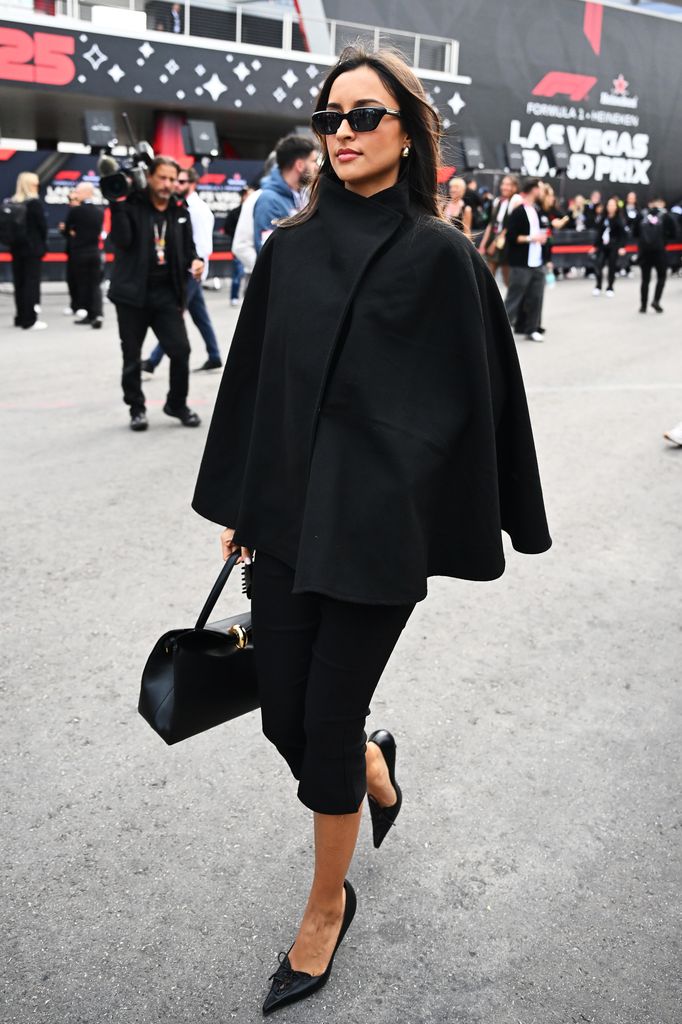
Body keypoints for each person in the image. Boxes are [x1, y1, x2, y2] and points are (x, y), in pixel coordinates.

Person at [192, 45, 551, 1015]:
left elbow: (487, 399)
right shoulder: (288, 252)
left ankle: (324, 906)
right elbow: (256, 388)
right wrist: (237, 504)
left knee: (322, 720)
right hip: (288, 525)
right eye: (329, 118)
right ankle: (372, 763)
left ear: (406, 131)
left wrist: (475, 502)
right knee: (282, 714)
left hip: (379, 540)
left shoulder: (440, 256)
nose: (341, 132)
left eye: (363, 116)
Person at [108, 156, 203, 431]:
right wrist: (117, 205)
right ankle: (136, 408)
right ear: (149, 177)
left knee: (181, 350)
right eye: (161, 178)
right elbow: (122, 241)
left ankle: (176, 403)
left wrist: (196, 261)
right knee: (132, 356)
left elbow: (188, 249)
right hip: (131, 296)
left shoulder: (178, 209)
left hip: (165, 294)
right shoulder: (132, 205)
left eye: (172, 179)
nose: (167, 184)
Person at [143, 166, 222, 373]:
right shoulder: (179, 207)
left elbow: (204, 246)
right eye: (176, 181)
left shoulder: (200, 210)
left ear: (192, 184)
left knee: (174, 316)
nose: (176, 185)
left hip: (191, 273)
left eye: (182, 182)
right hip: (184, 271)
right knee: (200, 316)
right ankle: (214, 355)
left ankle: (152, 361)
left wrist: (195, 269)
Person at [253, 135, 319, 253]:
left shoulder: (303, 196)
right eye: (313, 161)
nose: (317, 167)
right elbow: (270, 252)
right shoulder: (269, 200)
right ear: (299, 165)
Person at [504, 178, 549, 342]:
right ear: (534, 189)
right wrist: (532, 238)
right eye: (541, 188)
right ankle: (499, 329)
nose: (542, 192)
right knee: (514, 297)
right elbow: (511, 236)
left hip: (537, 262)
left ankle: (532, 328)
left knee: (536, 297)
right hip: (521, 263)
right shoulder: (519, 211)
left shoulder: (536, 210)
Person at [8, 172, 47, 330]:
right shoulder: (34, 204)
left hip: (16, 249)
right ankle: (29, 320)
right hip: (32, 250)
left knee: (19, 283)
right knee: (31, 284)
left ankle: (20, 316)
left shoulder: (12, 203)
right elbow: (42, 227)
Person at [62, 181, 104, 327]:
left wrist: (71, 232)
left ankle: (89, 313)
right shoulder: (99, 212)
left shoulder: (76, 211)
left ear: (87, 193)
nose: (76, 195)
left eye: (78, 192)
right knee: (95, 284)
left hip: (79, 253)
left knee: (84, 285)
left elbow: (67, 229)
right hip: (94, 252)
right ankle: (96, 314)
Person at [634, 200, 676, 313]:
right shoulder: (665, 216)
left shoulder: (641, 215)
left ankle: (643, 306)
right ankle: (656, 300)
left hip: (644, 253)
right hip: (659, 252)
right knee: (661, 277)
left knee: (645, 280)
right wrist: (663, 240)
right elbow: (674, 233)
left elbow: (634, 233)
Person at [477, 173, 519, 285]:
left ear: (514, 187)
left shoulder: (515, 200)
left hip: (505, 242)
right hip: (494, 238)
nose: (504, 187)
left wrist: (494, 244)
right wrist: (483, 244)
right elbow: (491, 223)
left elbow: (509, 226)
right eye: (503, 184)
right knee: (488, 279)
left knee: (508, 280)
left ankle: (512, 302)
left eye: (508, 184)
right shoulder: (497, 201)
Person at [590, 196, 627, 297]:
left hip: (614, 246)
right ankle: (598, 286)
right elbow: (599, 233)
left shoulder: (619, 219)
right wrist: (595, 246)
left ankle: (610, 287)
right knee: (598, 265)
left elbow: (623, 235)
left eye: (612, 205)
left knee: (612, 267)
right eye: (609, 205)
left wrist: (622, 247)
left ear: (616, 207)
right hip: (603, 246)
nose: (610, 207)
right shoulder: (603, 218)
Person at [223, 187, 252, 306]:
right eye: (247, 194)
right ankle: (234, 296)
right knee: (238, 273)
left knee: (251, 274)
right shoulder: (235, 212)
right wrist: (238, 235)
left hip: (251, 248)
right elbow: (227, 228)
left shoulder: (254, 210)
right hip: (239, 248)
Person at [59, 189, 81, 317]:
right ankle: (75, 305)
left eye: (74, 200)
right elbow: (68, 232)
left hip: (84, 252)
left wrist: (74, 232)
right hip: (72, 252)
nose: (71, 203)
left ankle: (83, 306)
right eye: (70, 200)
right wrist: (66, 231)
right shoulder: (71, 213)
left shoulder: (87, 212)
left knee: (82, 281)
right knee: (71, 279)